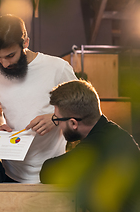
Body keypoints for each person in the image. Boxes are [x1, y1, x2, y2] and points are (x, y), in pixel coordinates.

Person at [0, 14, 78, 183]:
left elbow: (83, 108)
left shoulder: (58, 68)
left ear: (25, 42)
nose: (4, 64)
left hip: (52, 172)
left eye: (10, 56)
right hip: (10, 172)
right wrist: (0, 126)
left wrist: (56, 118)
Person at [40, 80, 140, 212]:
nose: (58, 125)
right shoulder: (112, 133)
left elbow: (48, 171)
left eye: (57, 120)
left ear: (73, 123)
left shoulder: (95, 146)